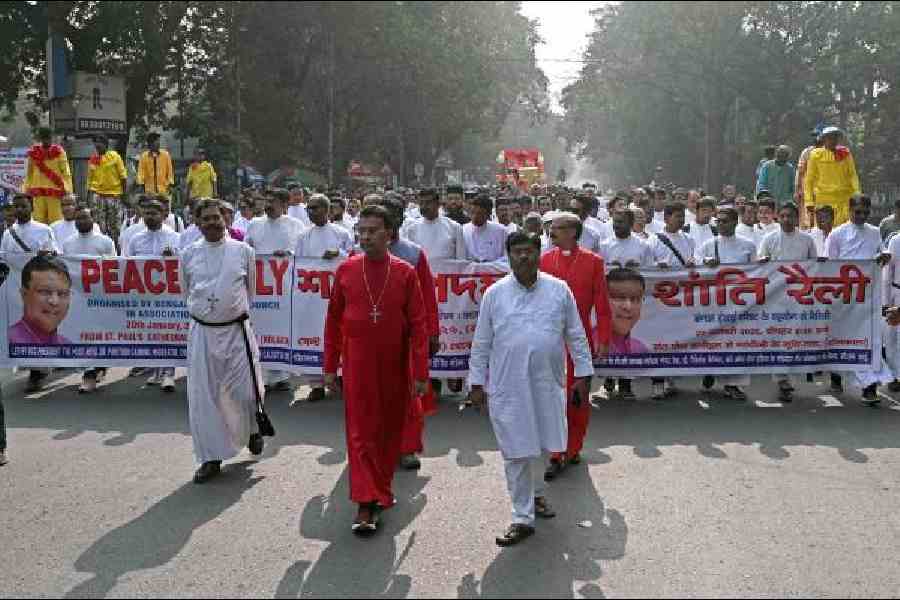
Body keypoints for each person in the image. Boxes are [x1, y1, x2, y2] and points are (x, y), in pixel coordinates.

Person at [468, 231, 593, 547]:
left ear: (540, 254)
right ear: (508, 256)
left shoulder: (558, 290)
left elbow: (576, 334)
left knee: (539, 443)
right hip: (507, 385)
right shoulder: (494, 295)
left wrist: (583, 374)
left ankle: (534, 495)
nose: (523, 257)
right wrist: (476, 383)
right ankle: (521, 517)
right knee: (515, 448)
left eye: (529, 251)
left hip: (546, 383)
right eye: (517, 252)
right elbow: (482, 343)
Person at [322, 205, 429, 534]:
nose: (365, 237)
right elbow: (333, 322)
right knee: (360, 434)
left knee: (386, 435)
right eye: (362, 231)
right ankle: (366, 503)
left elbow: (419, 325)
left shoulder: (404, 273)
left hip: (395, 366)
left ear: (390, 234)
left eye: (373, 231)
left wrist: (421, 373)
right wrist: (329, 367)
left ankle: (380, 490)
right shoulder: (346, 270)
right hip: (356, 366)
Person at [180, 198, 267, 484]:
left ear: (226, 219)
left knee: (245, 391)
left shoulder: (244, 252)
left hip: (236, 332)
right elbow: (186, 292)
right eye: (206, 218)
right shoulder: (189, 254)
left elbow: (250, 291)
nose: (212, 222)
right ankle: (210, 457)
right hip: (203, 333)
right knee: (204, 397)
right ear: (197, 223)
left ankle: (254, 427)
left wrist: (230, 312)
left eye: (217, 217)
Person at [540, 214, 610, 480]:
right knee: (553, 397)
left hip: (579, 342)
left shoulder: (593, 262)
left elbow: (602, 306)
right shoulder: (545, 260)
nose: (551, 233)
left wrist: (604, 339)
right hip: (549, 340)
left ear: (572, 231)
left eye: (556, 229)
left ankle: (574, 447)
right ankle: (556, 452)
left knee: (577, 398)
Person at [378, 198, 441, 471]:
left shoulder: (414, 254)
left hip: (407, 337)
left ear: (400, 222)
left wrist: (432, 334)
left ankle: (407, 448)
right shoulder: (359, 252)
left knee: (409, 395)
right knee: (374, 396)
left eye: (391, 218)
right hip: (372, 338)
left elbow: (428, 296)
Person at [827, 195, 892, 405]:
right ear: (849, 210)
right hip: (844, 297)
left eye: (866, 212)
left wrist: (884, 256)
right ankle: (836, 374)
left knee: (869, 341)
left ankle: (869, 387)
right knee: (842, 339)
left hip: (869, 296)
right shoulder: (837, 234)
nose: (862, 216)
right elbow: (830, 265)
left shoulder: (874, 232)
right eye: (858, 212)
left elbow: (880, 252)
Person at [294, 193, 354, 404]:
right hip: (312, 295)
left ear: (327, 210)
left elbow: (353, 258)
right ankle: (316, 384)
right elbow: (298, 264)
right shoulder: (303, 235)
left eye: (316, 208)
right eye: (309, 208)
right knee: (313, 334)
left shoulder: (342, 233)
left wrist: (338, 255)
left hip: (338, 294)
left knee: (341, 335)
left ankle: (341, 377)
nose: (311, 212)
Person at [757, 203, 820, 401]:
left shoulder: (807, 239)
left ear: (796, 217)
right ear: (777, 217)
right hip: (775, 297)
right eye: (782, 216)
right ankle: (782, 378)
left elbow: (815, 265)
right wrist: (763, 261)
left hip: (799, 297)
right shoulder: (769, 238)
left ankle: (789, 375)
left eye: (790, 216)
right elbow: (759, 263)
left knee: (794, 336)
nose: (786, 219)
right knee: (779, 336)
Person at [245, 189, 305, 392]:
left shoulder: (295, 225)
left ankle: (280, 375)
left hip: (284, 286)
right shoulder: (254, 224)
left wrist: (288, 254)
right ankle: (262, 375)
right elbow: (246, 250)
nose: (269, 204)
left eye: (274, 201)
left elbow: (302, 252)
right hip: (260, 287)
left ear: (284, 204)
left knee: (280, 329)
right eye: (267, 200)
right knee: (261, 327)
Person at [699, 208, 758, 401]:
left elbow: (756, 273)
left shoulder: (748, 245)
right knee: (715, 342)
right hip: (715, 303)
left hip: (739, 304)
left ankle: (733, 384)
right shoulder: (709, 244)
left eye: (724, 221)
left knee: (737, 344)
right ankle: (711, 371)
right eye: (718, 221)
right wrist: (705, 262)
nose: (720, 224)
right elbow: (693, 265)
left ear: (734, 222)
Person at [61, 205, 117, 393]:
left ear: (93, 219)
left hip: (100, 298)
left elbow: (114, 267)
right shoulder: (68, 243)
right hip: (79, 298)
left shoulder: (105, 242)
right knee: (83, 335)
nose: (81, 222)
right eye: (78, 219)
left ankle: (99, 366)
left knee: (100, 334)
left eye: (85, 218)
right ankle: (89, 373)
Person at [128, 198, 181, 392]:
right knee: (152, 335)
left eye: (154, 213)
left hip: (168, 297)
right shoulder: (135, 239)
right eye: (147, 213)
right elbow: (127, 265)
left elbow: (183, 265)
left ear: (164, 215)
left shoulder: (175, 238)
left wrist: (172, 258)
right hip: (145, 297)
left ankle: (169, 373)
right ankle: (156, 371)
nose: (150, 217)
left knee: (169, 335)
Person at [648, 202, 695, 401]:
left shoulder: (689, 240)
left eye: (683, 216)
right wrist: (657, 266)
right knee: (659, 341)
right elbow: (646, 267)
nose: (681, 220)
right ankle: (657, 383)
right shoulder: (653, 241)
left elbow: (696, 263)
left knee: (676, 340)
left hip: (682, 298)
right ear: (666, 218)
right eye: (677, 216)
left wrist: (694, 263)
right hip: (659, 299)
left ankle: (671, 379)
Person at [8, 254, 72, 346]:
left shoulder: (69, 347)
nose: (54, 301)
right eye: (45, 292)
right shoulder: (6, 341)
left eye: (62, 293)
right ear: (24, 294)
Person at [804, 126, 860, 227]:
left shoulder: (845, 153)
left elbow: (852, 174)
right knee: (825, 230)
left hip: (844, 199)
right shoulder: (815, 155)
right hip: (824, 200)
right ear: (824, 139)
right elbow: (809, 179)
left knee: (845, 229)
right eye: (829, 138)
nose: (833, 140)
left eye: (835, 137)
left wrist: (857, 193)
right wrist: (809, 201)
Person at [22, 127, 72, 225]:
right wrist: (25, 190)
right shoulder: (34, 152)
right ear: (40, 138)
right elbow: (29, 173)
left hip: (55, 192)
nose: (46, 140)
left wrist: (68, 191)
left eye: (48, 138)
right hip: (37, 192)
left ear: (52, 138)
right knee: (38, 221)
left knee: (56, 222)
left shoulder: (59, 152)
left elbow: (66, 173)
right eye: (44, 138)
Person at [405, 188, 467, 261]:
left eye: (428, 203)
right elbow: (411, 260)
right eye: (421, 203)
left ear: (438, 204)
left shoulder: (454, 227)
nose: (424, 206)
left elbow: (461, 261)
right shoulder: (412, 229)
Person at [87, 134, 128, 243]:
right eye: (95, 142)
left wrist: (124, 195)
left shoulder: (115, 156)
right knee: (100, 225)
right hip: (98, 196)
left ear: (106, 144)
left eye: (100, 142)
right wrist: (89, 198)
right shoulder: (93, 159)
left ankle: (116, 247)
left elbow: (123, 177)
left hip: (114, 196)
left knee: (115, 226)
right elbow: (90, 180)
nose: (97, 144)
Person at [463, 194, 508, 262]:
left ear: (488, 214)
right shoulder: (463, 230)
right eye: (473, 212)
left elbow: (506, 257)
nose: (475, 217)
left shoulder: (500, 230)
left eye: (479, 214)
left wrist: (488, 264)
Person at [795, 129, 823, 228]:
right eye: (814, 136)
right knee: (806, 215)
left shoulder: (828, 152)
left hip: (823, 190)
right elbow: (800, 171)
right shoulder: (807, 152)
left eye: (818, 135)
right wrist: (797, 189)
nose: (815, 138)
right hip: (807, 189)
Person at [136, 133, 174, 199]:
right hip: (149, 193)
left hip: (163, 192)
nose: (159, 143)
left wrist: (170, 185)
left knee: (164, 208)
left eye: (159, 141)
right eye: (156, 141)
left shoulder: (166, 155)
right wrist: (141, 185)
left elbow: (170, 172)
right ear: (150, 143)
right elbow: (141, 173)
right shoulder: (144, 156)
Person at [685, 196, 718, 263]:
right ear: (696, 211)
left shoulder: (715, 230)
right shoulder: (686, 229)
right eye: (704, 210)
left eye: (710, 211)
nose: (707, 214)